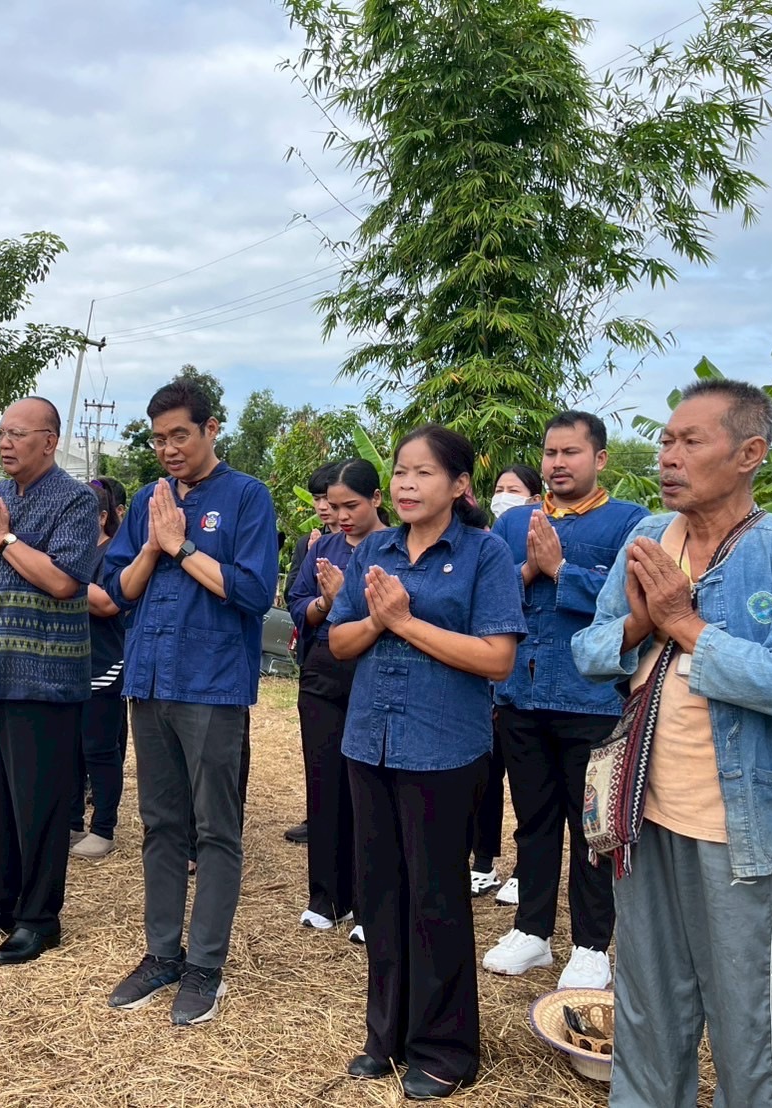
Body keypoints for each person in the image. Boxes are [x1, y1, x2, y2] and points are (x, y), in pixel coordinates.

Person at [573, 379, 772, 1108]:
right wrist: (636, 627)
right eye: (665, 438)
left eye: (690, 440)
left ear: (749, 453)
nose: (668, 454)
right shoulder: (645, 542)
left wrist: (684, 624)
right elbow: (589, 649)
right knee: (646, 1006)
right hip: (642, 816)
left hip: (743, 828)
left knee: (747, 1021)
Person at [327, 425, 524, 1097]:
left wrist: (405, 622)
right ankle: (384, 1035)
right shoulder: (374, 549)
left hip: (442, 748)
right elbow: (341, 640)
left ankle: (443, 1048)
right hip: (368, 742)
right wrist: (381, 620)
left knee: (434, 899)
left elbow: (497, 657)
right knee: (379, 896)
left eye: (424, 473)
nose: (408, 484)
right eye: (401, 472)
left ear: (459, 485)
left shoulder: (484, 554)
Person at [103, 379, 279, 1027]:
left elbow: (254, 591)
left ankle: (205, 966)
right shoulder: (147, 501)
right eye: (157, 438)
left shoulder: (246, 497)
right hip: (148, 681)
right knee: (159, 825)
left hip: (210, 684)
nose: (168, 448)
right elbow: (119, 589)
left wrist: (182, 546)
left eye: (179, 434)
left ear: (210, 429)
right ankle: (160, 955)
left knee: (214, 831)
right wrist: (152, 544)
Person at [481, 414, 647, 989]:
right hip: (520, 693)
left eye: (571, 452)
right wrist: (529, 570)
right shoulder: (512, 525)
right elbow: (491, 598)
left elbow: (632, 604)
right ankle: (532, 932)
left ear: (599, 459)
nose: (557, 464)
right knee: (533, 818)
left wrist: (562, 570)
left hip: (592, 698)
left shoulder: (632, 523)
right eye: (550, 453)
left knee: (592, 825)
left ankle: (591, 943)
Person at [0, 397, 101, 966]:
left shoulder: (76, 501)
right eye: (0, 432)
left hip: (43, 679)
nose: (5, 443)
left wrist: (5, 538)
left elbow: (63, 582)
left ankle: (39, 918)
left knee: (40, 804)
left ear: (50, 440)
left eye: (17, 434)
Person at [287, 459, 387, 940]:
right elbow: (297, 603)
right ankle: (327, 895)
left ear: (377, 500)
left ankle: (373, 904)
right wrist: (324, 603)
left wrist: (346, 599)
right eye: (334, 505)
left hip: (374, 670)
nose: (341, 515)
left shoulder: (394, 546)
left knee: (369, 788)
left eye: (352, 505)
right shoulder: (321, 547)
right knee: (324, 781)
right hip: (323, 671)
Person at [471, 463, 544, 900]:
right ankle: (483, 861)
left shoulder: (547, 533)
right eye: (498, 489)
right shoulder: (496, 541)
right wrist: (530, 571)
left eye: (513, 489)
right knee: (485, 776)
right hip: (489, 682)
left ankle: (524, 868)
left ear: (535, 497)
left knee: (526, 785)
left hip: (528, 677)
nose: (503, 497)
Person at [283, 461, 344, 846]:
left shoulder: (379, 541)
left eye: (330, 499)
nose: (324, 506)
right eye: (319, 498)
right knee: (319, 748)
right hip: (316, 654)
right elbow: (294, 593)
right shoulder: (311, 544)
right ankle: (317, 816)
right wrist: (321, 603)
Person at [68, 481, 129, 860]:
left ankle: (103, 827)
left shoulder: (114, 553)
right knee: (69, 749)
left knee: (99, 750)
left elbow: (108, 602)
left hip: (105, 662)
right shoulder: (72, 552)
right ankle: (72, 821)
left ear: (103, 517)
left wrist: (61, 578)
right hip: (69, 664)